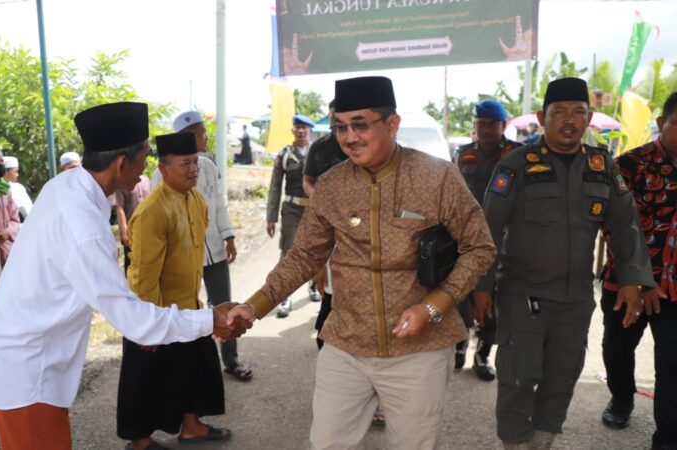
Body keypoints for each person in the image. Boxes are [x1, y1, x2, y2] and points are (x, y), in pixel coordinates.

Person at [227, 76, 496, 449]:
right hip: (347, 345)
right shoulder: (332, 185)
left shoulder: (436, 177)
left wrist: (434, 308)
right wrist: (253, 307)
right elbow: (305, 255)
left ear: (392, 124)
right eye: (340, 127)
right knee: (327, 443)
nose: (349, 136)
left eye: (360, 124)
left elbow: (479, 247)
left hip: (418, 350)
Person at [0, 102, 248, 450]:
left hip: (26, 356)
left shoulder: (67, 186)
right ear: (122, 163)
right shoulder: (85, 227)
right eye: (145, 158)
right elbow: (134, 321)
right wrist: (212, 319)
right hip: (28, 370)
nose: (147, 168)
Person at [473, 77, 654, 450]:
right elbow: (487, 230)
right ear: (543, 117)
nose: (569, 121)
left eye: (578, 112)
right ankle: (514, 444)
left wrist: (634, 279)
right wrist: (481, 287)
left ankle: (541, 443)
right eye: (559, 112)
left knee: (562, 378)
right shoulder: (517, 164)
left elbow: (624, 225)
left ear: (589, 118)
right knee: (518, 377)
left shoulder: (601, 164)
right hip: (522, 294)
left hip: (575, 300)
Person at [118, 132, 230, 449]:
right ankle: (140, 441)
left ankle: (191, 426)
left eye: (195, 162)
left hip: (190, 307)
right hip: (157, 312)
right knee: (145, 378)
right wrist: (148, 326)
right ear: (164, 168)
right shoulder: (153, 209)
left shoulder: (195, 199)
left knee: (195, 370)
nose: (194, 169)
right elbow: (143, 274)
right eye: (186, 164)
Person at [598, 92, 677, 449]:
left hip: (675, 290)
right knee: (617, 348)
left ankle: (666, 437)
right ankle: (622, 397)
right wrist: (641, 279)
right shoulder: (629, 165)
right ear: (662, 124)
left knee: (672, 365)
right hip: (627, 284)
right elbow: (613, 225)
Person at [162, 110, 252, 381]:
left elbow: (220, 204)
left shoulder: (209, 166)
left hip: (213, 250)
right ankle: (189, 365)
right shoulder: (164, 171)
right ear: (188, 135)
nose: (205, 136)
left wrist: (229, 235)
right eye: (201, 132)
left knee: (225, 304)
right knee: (186, 309)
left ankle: (231, 360)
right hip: (182, 256)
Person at [453, 99, 523, 381]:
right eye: (480, 124)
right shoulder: (464, 153)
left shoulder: (516, 154)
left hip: (503, 237)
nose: (484, 129)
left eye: (490, 124)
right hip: (465, 236)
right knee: (461, 293)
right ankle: (459, 344)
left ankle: (483, 353)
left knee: (494, 296)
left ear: (503, 125)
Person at [302, 98, 347, 345]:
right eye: (334, 118)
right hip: (327, 220)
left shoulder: (360, 146)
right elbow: (308, 180)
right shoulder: (319, 148)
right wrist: (318, 197)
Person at [266, 114, 319, 318]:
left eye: (305, 128)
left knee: (316, 250)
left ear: (310, 131)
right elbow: (275, 187)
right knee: (288, 252)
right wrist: (271, 217)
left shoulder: (317, 153)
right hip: (291, 210)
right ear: (292, 130)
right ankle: (284, 297)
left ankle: (314, 286)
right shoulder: (285, 154)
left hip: (314, 210)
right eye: (297, 127)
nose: (301, 131)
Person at [113, 173, 151, 271]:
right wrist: (125, 232)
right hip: (132, 233)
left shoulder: (146, 180)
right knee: (131, 264)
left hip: (147, 231)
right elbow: (119, 208)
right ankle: (129, 286)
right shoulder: (122, 183)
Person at [3, 155, 34, 221]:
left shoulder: (18, 188)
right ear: (5, 172)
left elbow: (28, 210)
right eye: (15, 171)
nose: (17, 174)